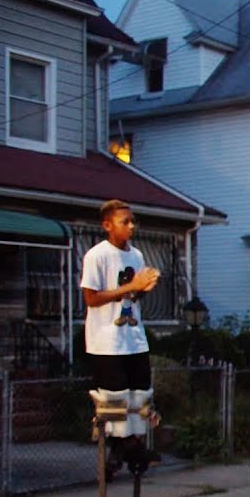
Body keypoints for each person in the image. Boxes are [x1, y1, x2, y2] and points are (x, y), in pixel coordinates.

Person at [81, 200, 162, 478]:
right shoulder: (97, 256)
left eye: (132, 221)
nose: (131, 226)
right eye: (124, 221)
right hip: (107, 339)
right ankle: (122, 447)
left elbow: (133, 296)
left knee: (139, 395)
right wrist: (131, 286)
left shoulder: (136, 256)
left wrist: (145, 287)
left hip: (134, 336)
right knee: (114, 398)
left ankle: (131, 445)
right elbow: (91, 298)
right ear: (107, 225)